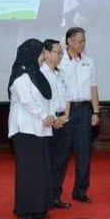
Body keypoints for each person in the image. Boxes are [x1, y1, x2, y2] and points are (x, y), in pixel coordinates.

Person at [8, 39, 55, 219]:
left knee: (39, 170)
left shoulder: (36, 74)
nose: (43, 56)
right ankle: (26, 210)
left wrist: (50, 115)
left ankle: (39, 207)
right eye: (41, 53)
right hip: (25, 128)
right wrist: (45, 116)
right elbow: (27, 101)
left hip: (40, 128)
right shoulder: (21, 75)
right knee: (29, 171)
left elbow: (45, 98)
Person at [57, 27, 100, 203]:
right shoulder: (59, 61)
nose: (83, 44)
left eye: (84, 41)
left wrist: (96, 111)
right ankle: (55, 193)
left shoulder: (88, 61)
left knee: (84, 153)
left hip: (84, 110)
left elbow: (93, 87)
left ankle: (80, 190)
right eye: (80, 41)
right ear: (69, 41)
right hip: (65, 111)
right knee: (61, 153)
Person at [41, 39, 72, 209]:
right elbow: (40, 101)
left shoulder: (62, 73)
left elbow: (67, 97)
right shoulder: (39, 74)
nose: (60, 55)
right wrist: (52, 119)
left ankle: (55, 195)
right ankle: (44, 196)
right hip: (47, 123)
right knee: (47, 161)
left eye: (61, 53)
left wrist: (66, 116)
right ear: (45, 53)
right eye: (57, 52)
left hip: (63, 120)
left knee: (61, 161)